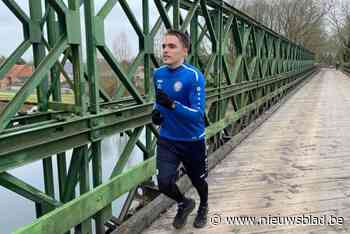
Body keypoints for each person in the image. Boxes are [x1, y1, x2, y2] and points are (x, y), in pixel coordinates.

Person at [152, 29, 208, 229]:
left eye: (172, 46)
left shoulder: (194, 76)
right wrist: (156, 113)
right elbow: (158, 102)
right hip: (168, 138)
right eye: (164, 46)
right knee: (164, 182)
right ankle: (184, 203)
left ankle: (203, 205)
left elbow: (197, 114)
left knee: (198, 181)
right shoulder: (158, 74)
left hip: (192, 139)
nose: (165, 50)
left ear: (185, 51)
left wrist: (173, 105)